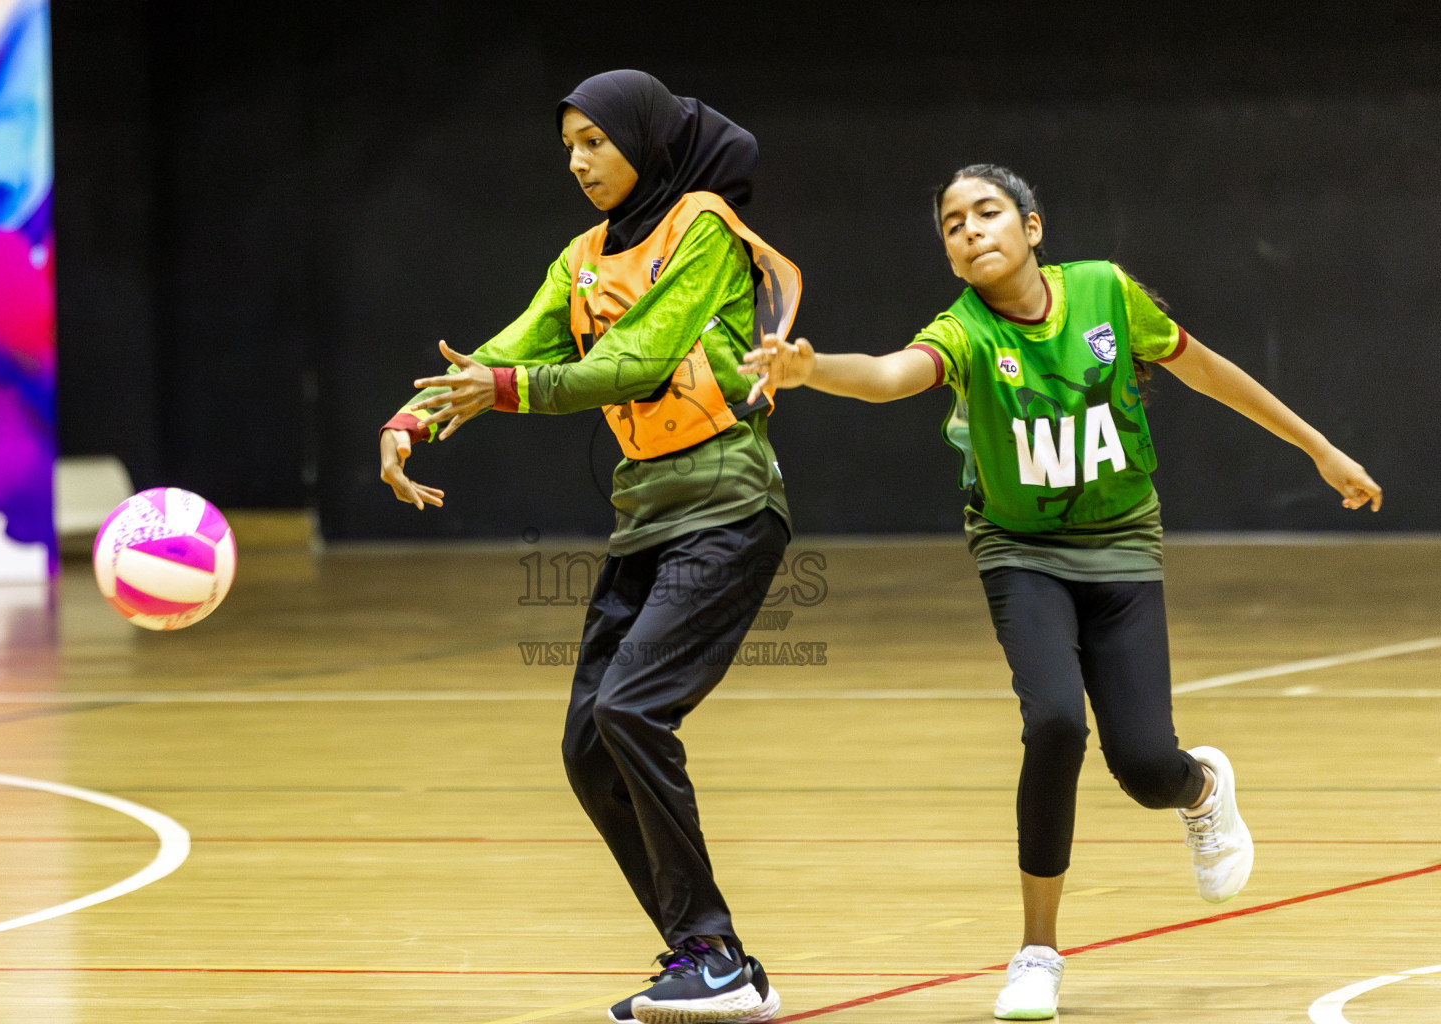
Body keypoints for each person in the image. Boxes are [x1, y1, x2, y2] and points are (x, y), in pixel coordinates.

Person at [740, 164, 1382, 1021]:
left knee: (1146, 765)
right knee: (1053, 724)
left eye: (988, 212)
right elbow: (893, 374)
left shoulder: (1107, 296)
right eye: (952, 224)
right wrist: (812, 369)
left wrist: (1320, 449)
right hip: (1021, 553)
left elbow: (1209, 372)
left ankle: (1200, 791)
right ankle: (1037, 951)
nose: (970, 230)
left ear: (1033, 227)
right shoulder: (963, 333)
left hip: (1120, 550)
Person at [378, 70, 801, 1024]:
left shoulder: (701, 228)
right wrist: (410, 420)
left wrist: (511, 390)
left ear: (643, 140)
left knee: (633, 707)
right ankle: (713, 954)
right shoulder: (579, 258)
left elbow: (639, 360)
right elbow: (512, 343)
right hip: (645, 515)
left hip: (728, 505)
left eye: (595, 142)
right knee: (588, 748)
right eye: (567, 147)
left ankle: (711, 956)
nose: (578, 162)